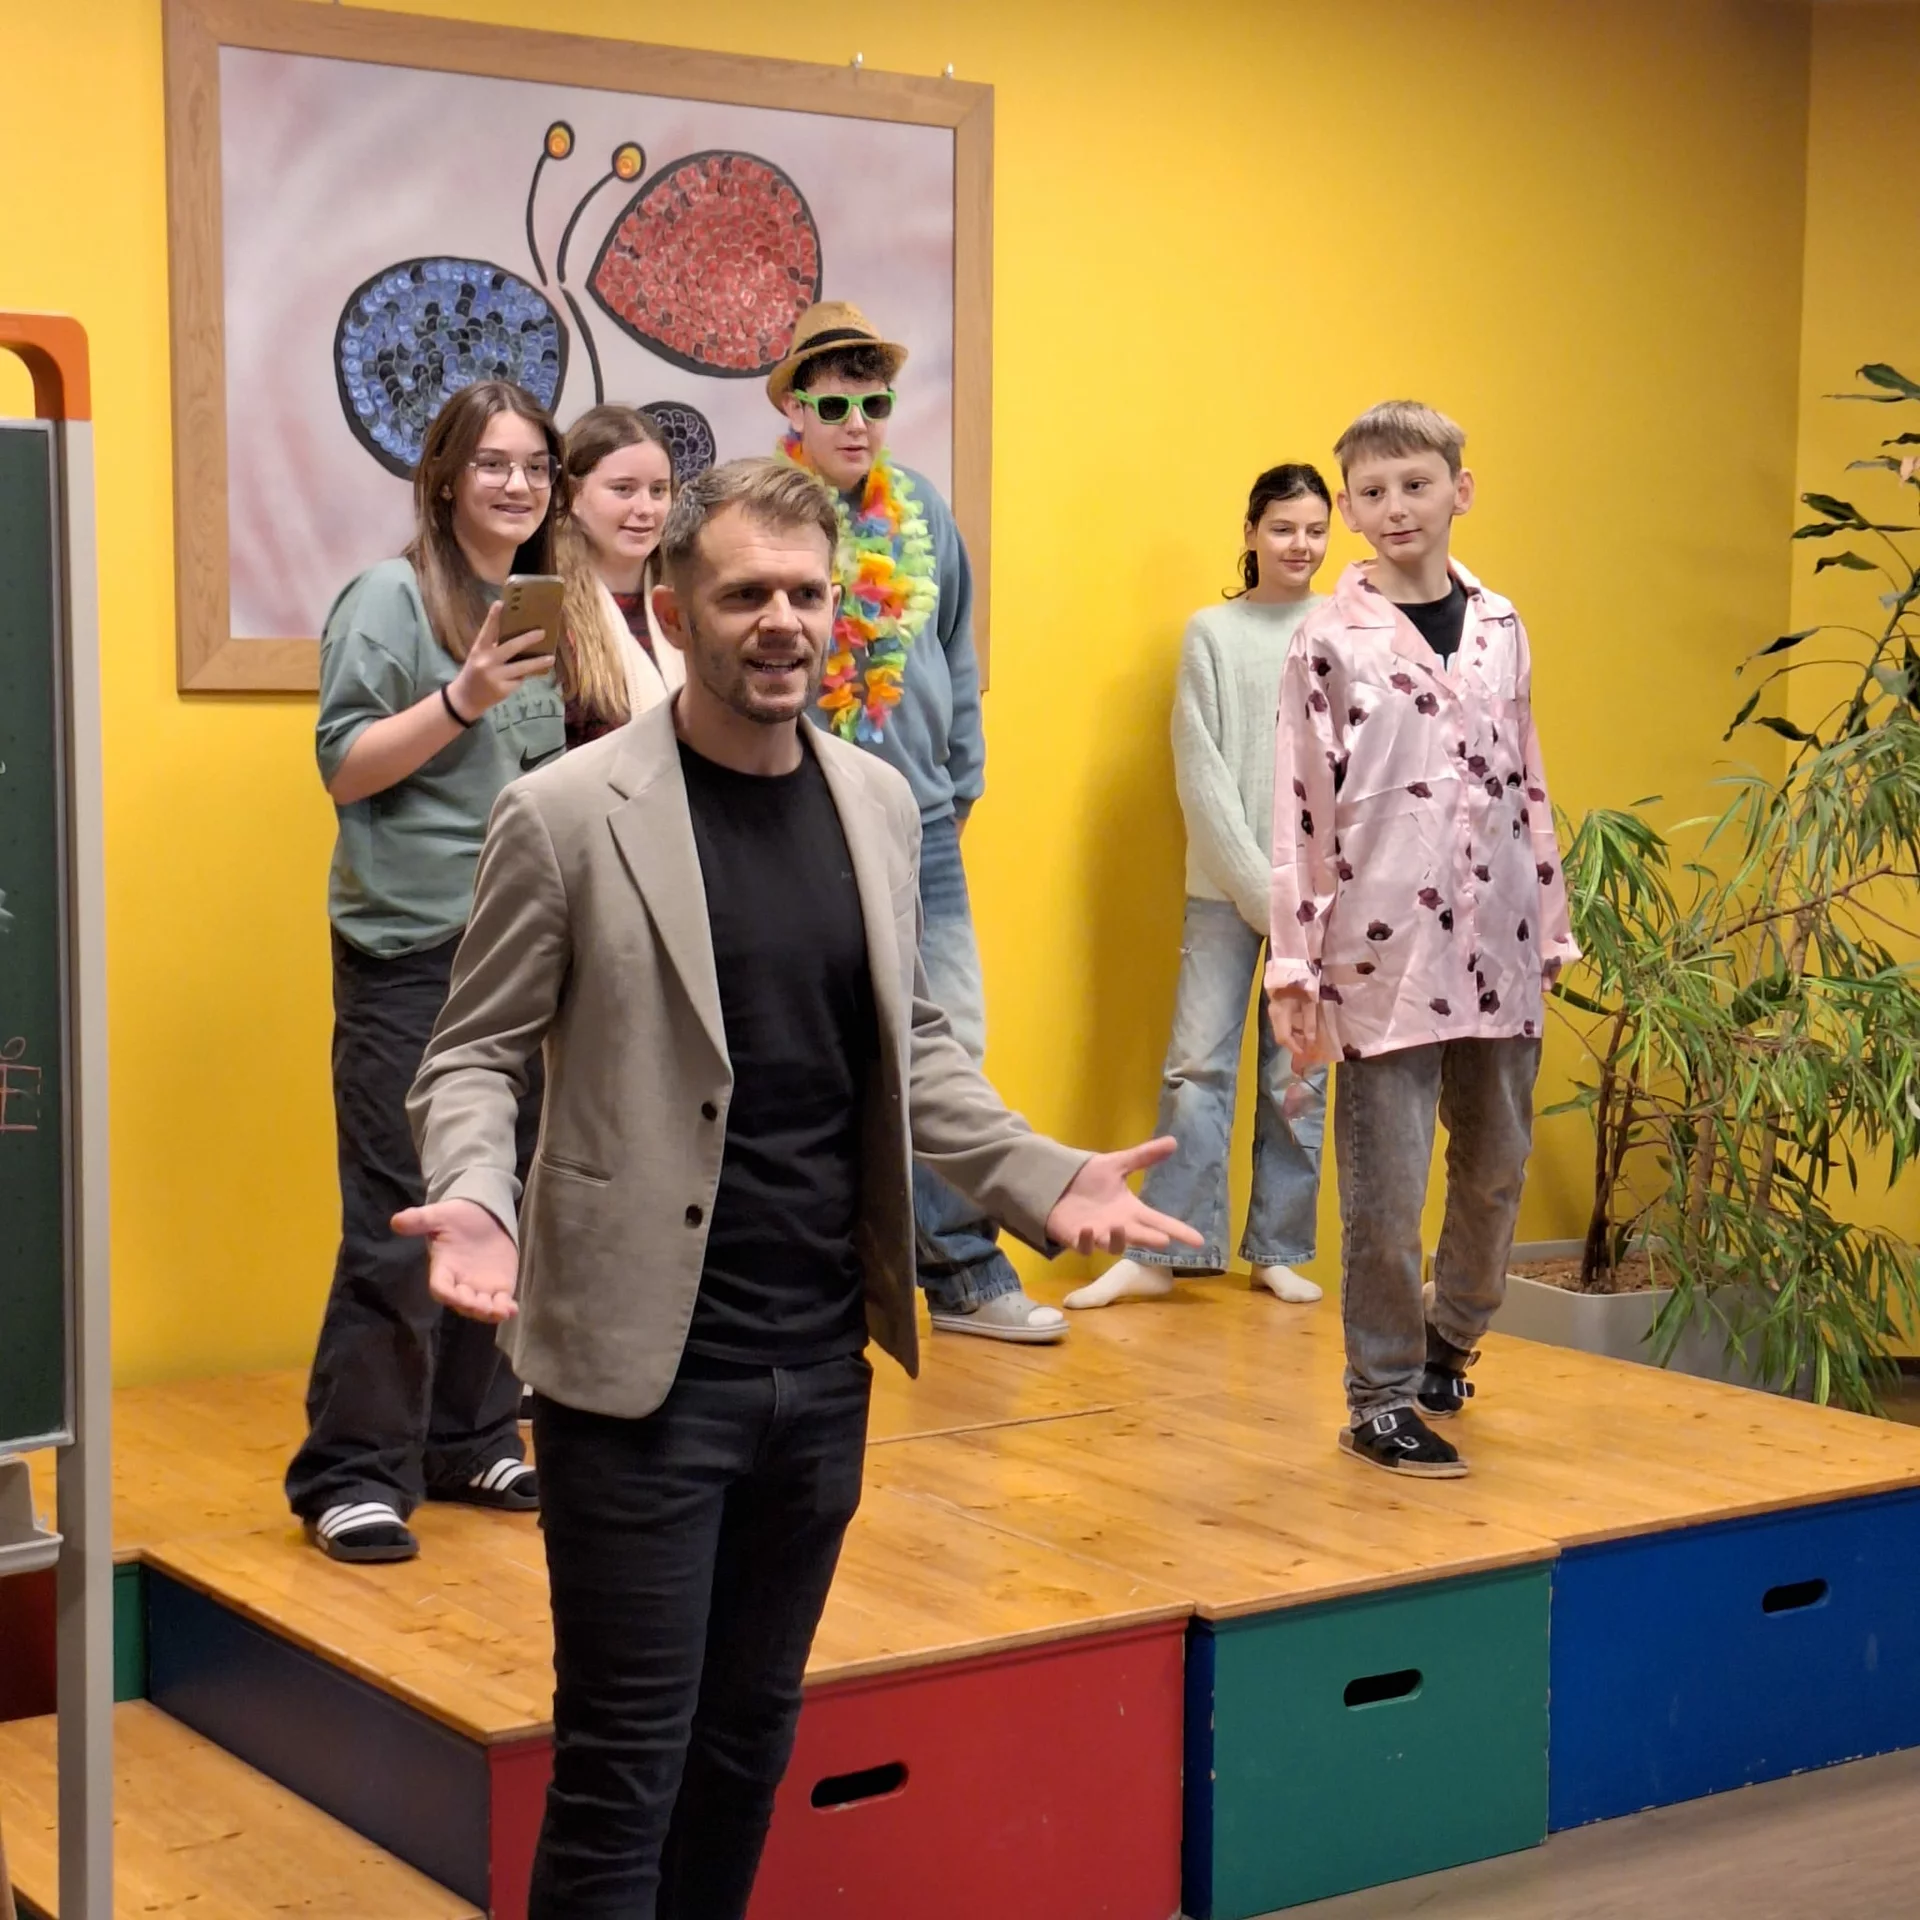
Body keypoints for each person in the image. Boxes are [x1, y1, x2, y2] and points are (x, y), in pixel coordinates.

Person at [397, 458, 1201, 1918]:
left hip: (822, 1370)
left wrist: (1043, 1174)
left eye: (806, 594)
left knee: (746, 1747)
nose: (781, 621)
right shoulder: (566, 813)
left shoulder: (879, 804)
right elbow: (473, 1054)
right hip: (641, 1382)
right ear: (671, 611)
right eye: (744, 595)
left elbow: (916, 1050)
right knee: (622, 1771)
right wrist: (477, 1194)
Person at [1266, 401, 1577, 1478]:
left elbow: (1528, 777)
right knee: (1386, 1198)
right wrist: (1294, 965)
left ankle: (1451, 1341)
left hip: (1501, 944)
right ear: (1349, 510)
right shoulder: (1326, 640)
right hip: (1380, 956)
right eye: (1373, 491)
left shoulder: (1502, 624)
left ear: (1460, 490)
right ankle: (1381, 1397)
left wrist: (1552, 922)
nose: (1396, 506)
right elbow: (1298, 810)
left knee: (1494, 1176)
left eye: (1416, 484)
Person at [285, 380, 564, 1563]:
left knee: (502, 1204)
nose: (518, 485)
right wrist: (462, 697)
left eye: (537, 466)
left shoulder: (545, 607)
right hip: (408, 952)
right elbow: (344, 766)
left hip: (520, 950)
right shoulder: (388, 599)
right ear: (444, 479)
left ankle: (468, 1436)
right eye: (493, 463)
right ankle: (352, 1472)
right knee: (403, 1217)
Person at [767, 302, 1066, 1343]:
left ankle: (967, 1271)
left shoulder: (923, 510)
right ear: (796, 410)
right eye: (835, 405)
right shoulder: (771, 516)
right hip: (804, 820)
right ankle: (826, 1279)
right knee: (816, 1051)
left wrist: (960, 780)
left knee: (950, 1047)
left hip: (923, 824)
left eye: (875, 402)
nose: (857, 422)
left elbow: (956, 649)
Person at [1068, 465, 1334, 1311]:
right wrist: (1266, 895)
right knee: (1196, 1069)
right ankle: (1164, 1254)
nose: (1300, 545)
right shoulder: (1212, 634)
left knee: (1300, 1077)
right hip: (1226, 889)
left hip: (1321, 896)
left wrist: (1309, 899)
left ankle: (1278, 1250)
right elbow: (1202, 774)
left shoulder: (1346, 630)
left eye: (1315, 530)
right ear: (1251, 532)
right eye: (1283, 528)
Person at [555, 403, 683, 749]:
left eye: (658, 490)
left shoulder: (690, 598)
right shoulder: (549, 612)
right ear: (573, 495)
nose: (645, 509)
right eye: (624, 489)